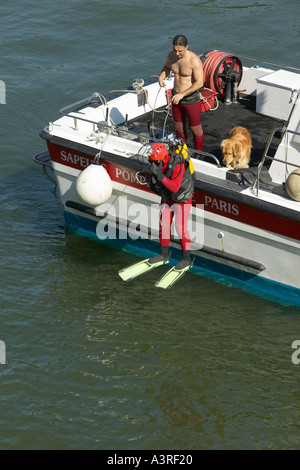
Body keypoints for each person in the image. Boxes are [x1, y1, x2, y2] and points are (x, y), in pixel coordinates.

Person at [147, 142, 195, 269]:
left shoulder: (177, 164)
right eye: (152, 161)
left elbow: (174, 187)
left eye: (156, 162)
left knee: (181, 228)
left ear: (163, 158)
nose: (154, 164)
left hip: (182, 198)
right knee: (164, 225)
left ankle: (186, 259)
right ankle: (163, 255)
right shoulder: (157, 164)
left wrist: (160, 176)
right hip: (167, 197)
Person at [158, 34, 204, 151]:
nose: (177, 54)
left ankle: (198, 153)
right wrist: (161, 77)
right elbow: (167, 68)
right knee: (179, 128)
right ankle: (182, 151)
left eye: (180, 51)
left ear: (186, 47)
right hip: (176, 97)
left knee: (195, 129)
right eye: (175, 50)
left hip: (190, 99)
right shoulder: (171, 56)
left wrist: (182, 94)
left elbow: (199, 83)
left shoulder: (194, 60)